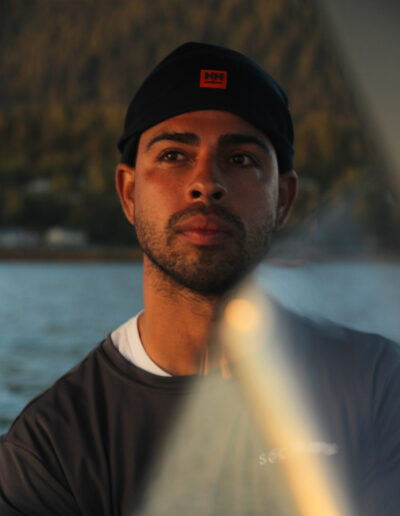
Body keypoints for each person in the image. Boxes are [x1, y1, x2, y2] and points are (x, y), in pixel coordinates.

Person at [0, 42, 399, 516]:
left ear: (284, 201)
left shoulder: (380, 385)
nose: (206, 182)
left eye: (240, 159)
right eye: (173, 156)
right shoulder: (50, 448)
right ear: (129, 194)